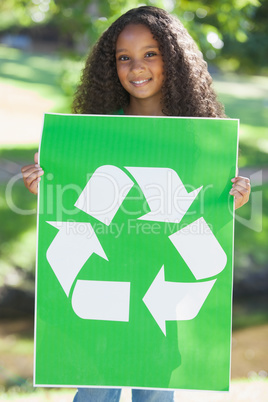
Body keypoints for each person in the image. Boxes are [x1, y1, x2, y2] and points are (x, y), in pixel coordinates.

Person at [21, 6, 251, 401]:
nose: (136, 66)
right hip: (104, 296)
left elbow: (197, 226)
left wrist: (229, 200)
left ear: (173, 60)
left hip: (160, 297)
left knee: (156, 390)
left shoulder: (194, 140)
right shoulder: (96, 137)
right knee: (95, 392)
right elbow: (78, 216)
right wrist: (46, 191)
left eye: (150, 53)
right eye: (123, 57)